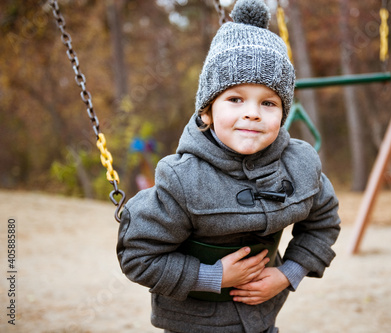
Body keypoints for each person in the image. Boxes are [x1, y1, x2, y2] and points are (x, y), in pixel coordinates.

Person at [116, 0, 341, 332]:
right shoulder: (182, 179)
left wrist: (286, 274)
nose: (252, 112)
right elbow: (138, 256)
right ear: (206, 111)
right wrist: (212, 276)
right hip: (192, 325)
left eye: (268, 102)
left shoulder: (300, 164)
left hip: (263, 319)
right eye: (235, 99)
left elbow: (323, 222)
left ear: (283, 113)